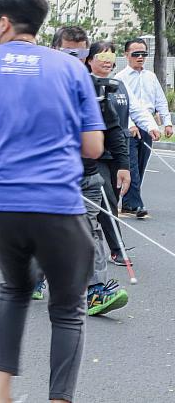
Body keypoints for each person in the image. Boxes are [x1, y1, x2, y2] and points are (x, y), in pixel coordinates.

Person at [0, 0, 104, 403]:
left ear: (3, 22)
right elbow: (93, 147)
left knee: (15, 289)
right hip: (57, 202)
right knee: (68, 307)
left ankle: (1, 392)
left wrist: (5, 163)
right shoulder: (73, 70)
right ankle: (59, 399)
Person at [52, 27, 130, 316]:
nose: (75, 58)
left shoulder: (94, 88)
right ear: (55, 51)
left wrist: (123, 165)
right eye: (68, 52)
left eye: (81, 53)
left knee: (89, 231)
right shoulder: (41, 84)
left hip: (86, 176)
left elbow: (112, 128)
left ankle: (94, 291)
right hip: (51, 177)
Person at [86, 42, 158, 262]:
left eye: (111, 57)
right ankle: (117, 248)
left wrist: (151, 126)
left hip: (118, 152)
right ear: (90, 60)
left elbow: (135, 109)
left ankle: (103, 242)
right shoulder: (83, 85)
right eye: (102, 56)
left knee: (113, 201)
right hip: (95, 153)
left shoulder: (119, 85)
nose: (108, 61)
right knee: (106, 198)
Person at [114, 38, 171, 218]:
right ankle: (133, 204)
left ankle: (128, 200)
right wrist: (130, 125)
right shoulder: (120, 78)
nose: (140, 57)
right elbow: (122, 106)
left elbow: (160, 101)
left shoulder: (151, 77)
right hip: (128, 127)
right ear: (126, 55)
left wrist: (167, 123)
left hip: (147, 125)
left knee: (141, 164)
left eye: (143, 54)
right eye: (135, 54)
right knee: (131, 167)